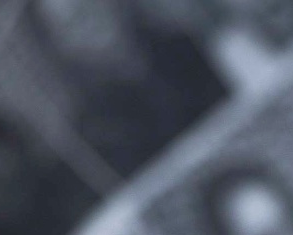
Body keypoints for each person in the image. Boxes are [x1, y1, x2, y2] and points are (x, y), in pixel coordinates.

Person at [23, 0, 226, 178]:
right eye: (72, 21)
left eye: (90, 2)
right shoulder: (97, 131)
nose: (90, 18)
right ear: (59, 47)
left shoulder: (186, 45)